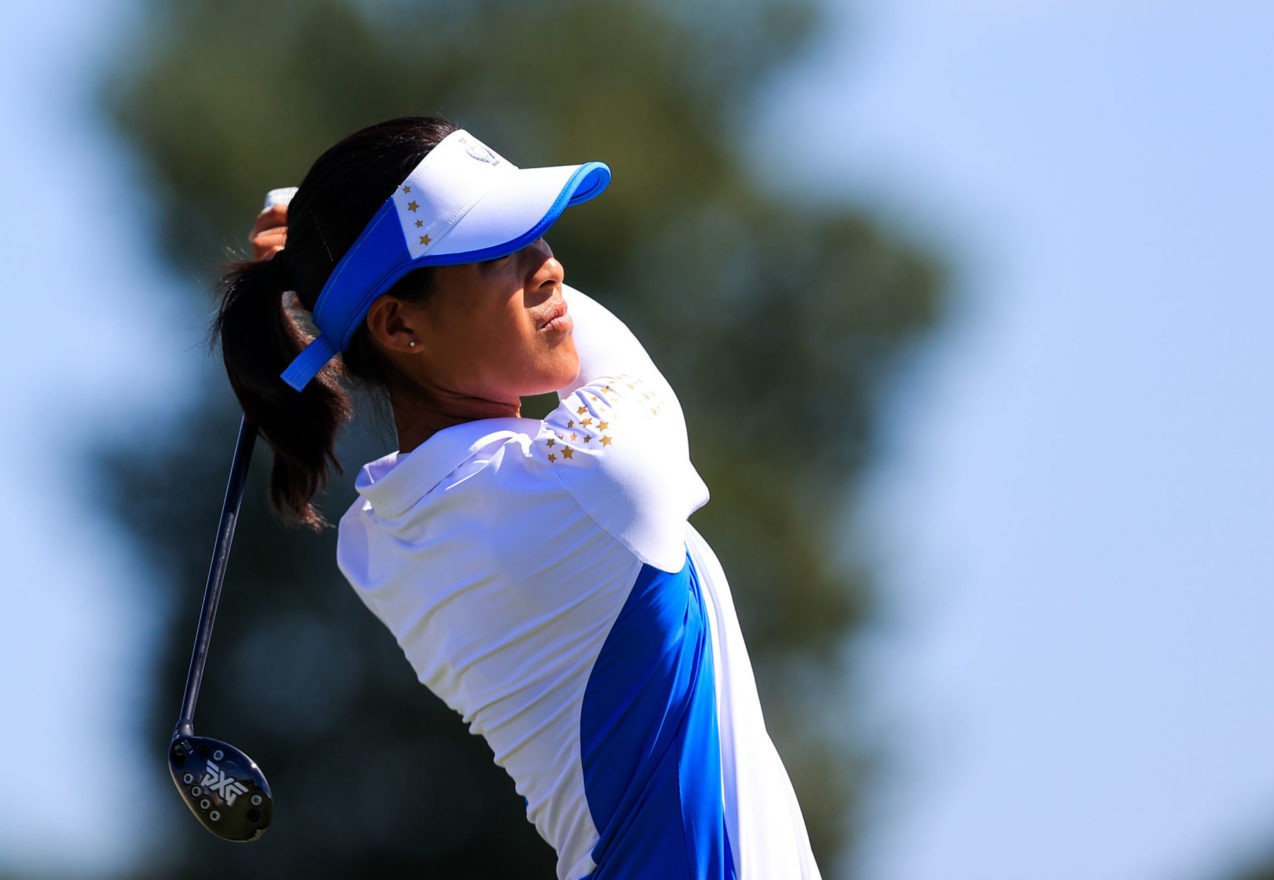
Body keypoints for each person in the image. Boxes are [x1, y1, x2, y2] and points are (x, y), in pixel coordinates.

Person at [214, 116, 821, 880]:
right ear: (398, 323)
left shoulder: (377, 536)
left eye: (539, 236)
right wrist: (330, 255)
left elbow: (542, 343)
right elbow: (603, 358)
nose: (550, 269)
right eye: (497, 252)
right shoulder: (594, 480)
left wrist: (337, 268)